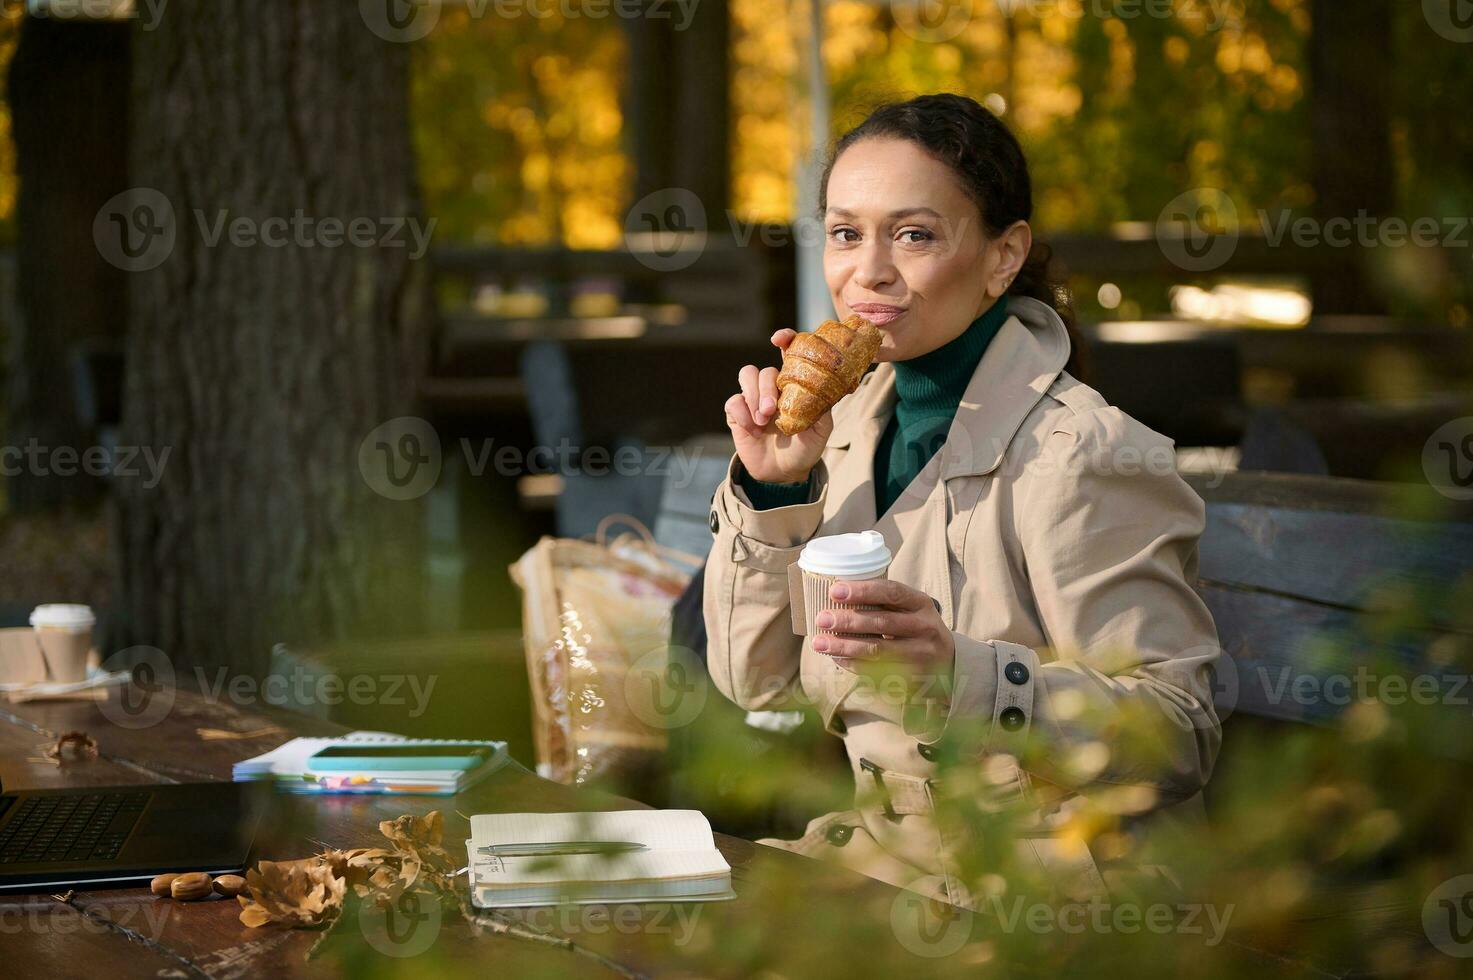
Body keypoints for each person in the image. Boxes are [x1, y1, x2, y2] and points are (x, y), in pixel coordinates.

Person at [703, 93, 1222, 908]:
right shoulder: (841, 435)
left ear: (1001, 257)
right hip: (882, 865)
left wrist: (966, 673)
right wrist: (774, 488)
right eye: (845, 233)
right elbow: (756, 681)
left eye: (913, 235)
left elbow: (1178, 734)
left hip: (1051, 896)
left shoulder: (1083, 454)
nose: (867, 271)